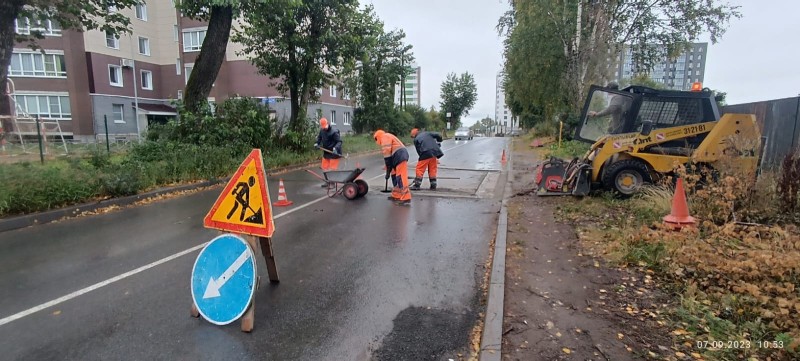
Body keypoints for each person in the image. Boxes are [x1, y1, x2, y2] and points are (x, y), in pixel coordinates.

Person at [374, 129, 412, 205]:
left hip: (399, 156)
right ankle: (396, 195)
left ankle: (406, 197)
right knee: (394, 175)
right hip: (397, 157)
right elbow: (388, 158)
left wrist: (387, 171)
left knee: (400, 176)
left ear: (377, 137)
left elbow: (387, 156)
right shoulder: (387, 136)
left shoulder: (384, 137)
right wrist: (389, 170)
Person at [314, 117, 343, 187]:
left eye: (325, 126)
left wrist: (335, 148)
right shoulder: (322, 131)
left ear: (328, 123)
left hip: (334, 153)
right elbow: (319, 138)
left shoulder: (334, 131)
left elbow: (339, 142)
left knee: (332, 169)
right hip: (326, 152)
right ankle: (327, 181)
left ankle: (332, 183)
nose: (324, 128)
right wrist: (317, 143)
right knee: (324, 168)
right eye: (323, 127)